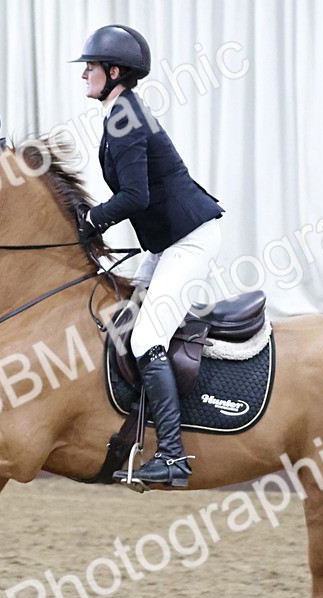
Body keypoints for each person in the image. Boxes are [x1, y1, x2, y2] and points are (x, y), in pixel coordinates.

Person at [71, 25, 224, 489]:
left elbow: (134, 195)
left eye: (91, 68)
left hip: (189, 239)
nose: (84, 77)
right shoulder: (121, 114)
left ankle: (174, 457)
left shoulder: (126, 119)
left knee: (146, 338)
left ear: (114, 71)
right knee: (126, 320)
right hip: (165, 243)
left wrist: (92, 220)